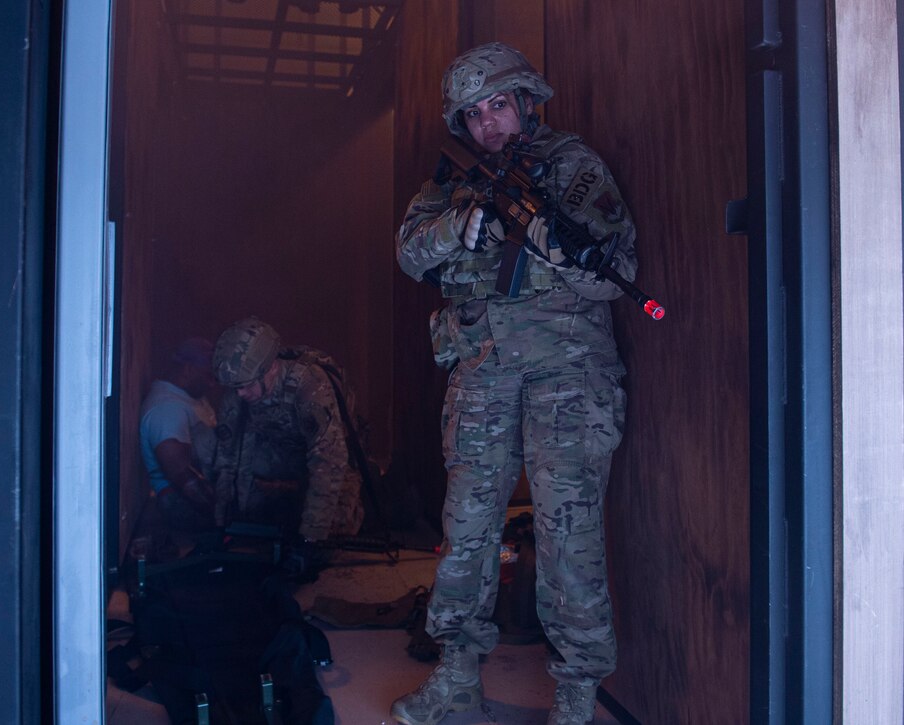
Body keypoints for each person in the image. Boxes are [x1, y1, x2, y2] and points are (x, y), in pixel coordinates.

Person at [390, 42, 637, 725]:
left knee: (568, 534)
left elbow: (614, 274)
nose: (488, 125)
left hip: (568, 372)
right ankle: (455, 677)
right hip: (483, 371)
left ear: (527, 102)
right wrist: (459, 227)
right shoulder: (453, 182)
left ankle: (577, 695)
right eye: (473, 115)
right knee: (466, 527)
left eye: (498, 105)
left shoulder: (573, 167)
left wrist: (552, 245)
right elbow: (409, 251)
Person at [210, 316, 365, 544]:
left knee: (334, 533)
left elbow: (329, 460)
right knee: (259, 523)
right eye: (236, 388)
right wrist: (223, 522)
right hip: (281, 457)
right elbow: (227, 458)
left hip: (329, 461)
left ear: (272, 368)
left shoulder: (311, 386)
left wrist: (311, 537)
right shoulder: (239, 389)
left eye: (246, 386)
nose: (240, 394)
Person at [138, 337, 218, 533]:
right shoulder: (167, 408)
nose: (212, 384)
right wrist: (224, 517)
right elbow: (184, 479)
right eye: (208, 376)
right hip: (187, 512)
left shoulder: (187, 396)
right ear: (188, 369)